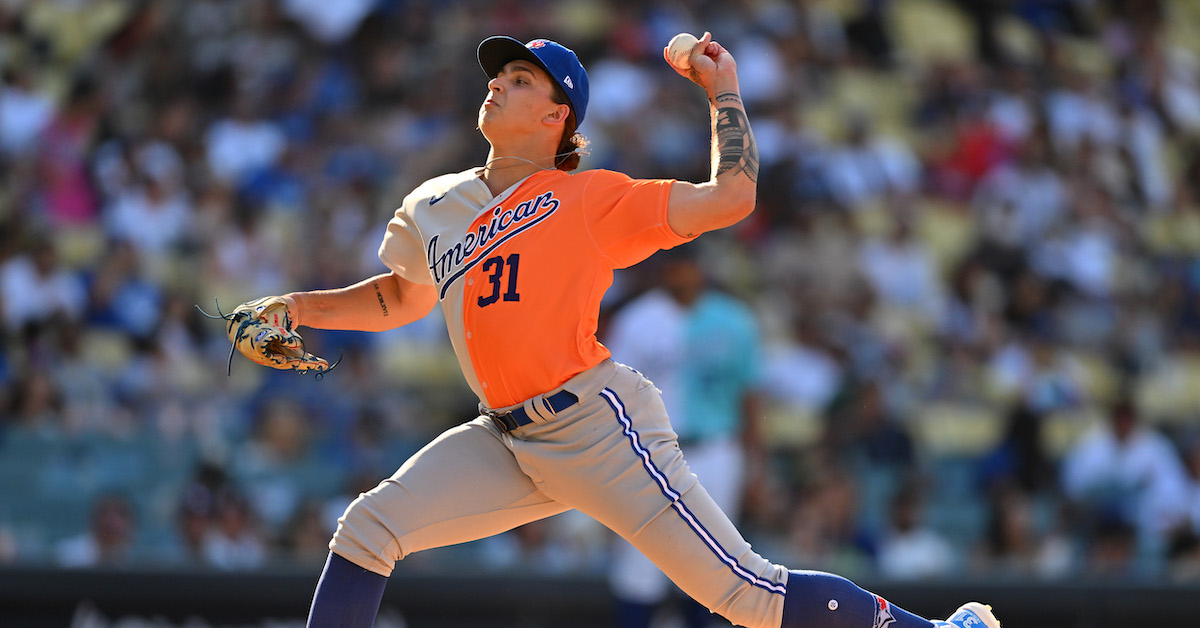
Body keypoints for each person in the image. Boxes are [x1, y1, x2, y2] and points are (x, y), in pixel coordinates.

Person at [231, 33, 999, 628]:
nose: (497, 84)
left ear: (557, 114)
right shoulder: (435, 202)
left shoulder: (588, 198)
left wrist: (722, 91)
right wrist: (299, 308)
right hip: (504, 437)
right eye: (498, 75)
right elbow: (403, 299)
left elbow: (731, 197)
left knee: (747, 596)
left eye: (520, 80)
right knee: (369, 528)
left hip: (594, 424)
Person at [604, 246, 766, 628]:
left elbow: (750, 396)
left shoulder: (733, 320)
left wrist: (758, 464)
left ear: (698, 271)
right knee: (641, 560)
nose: (680, 276)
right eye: (673, 268)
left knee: (714, 561)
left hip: (716, 448)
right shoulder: (637, 320)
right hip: (651, 453)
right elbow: (612, 397)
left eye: (686, 268)